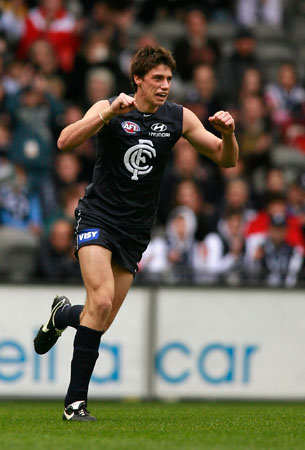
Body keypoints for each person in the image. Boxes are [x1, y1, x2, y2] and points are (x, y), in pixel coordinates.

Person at [33, 46, 238, 421]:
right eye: (157, 78)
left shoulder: (178, 117)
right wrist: (108, 113)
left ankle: (62, 315)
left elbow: (226, 158)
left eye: (169, 79)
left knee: (101, 318)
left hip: (135, 231)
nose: (164, 86)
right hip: (97, 217)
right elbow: (64, 142)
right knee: (103, 302)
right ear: (138, 79)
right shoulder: (110, 107)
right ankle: (74, 404)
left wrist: (229, 134)